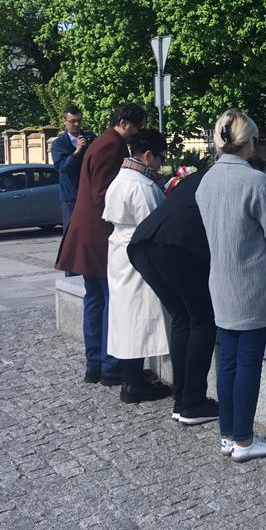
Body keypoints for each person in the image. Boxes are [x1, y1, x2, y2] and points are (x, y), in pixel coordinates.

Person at [196, 109, 266, 462]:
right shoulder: (255, 182)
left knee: (228, 361)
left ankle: (229, 435)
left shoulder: (206, 180)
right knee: (249, 362)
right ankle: (244, 440)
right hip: (252, 282)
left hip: (221, 280)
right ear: (249, 141)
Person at [56, 102, 146, 386]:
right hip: (97, 233)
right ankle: (110, 366)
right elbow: (104, 192)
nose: (139, 131)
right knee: (109, 299)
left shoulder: (102, 141)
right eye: (138, 125)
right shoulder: (110, 145)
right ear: (124, 122)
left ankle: (95, 364)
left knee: (95, 299)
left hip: (86, 232)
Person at [128, 164, 218, 424]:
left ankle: (181, 399)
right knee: (202, 319)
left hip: (143, 243)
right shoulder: (233, 179)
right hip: (175, 244)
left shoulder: (200, 177)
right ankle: (193, 403)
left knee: (182, 317)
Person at [102, 128, 172, 404]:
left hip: (121, 251)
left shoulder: (121, 177)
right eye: (160, 157)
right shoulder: (142, 186)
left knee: (127, 317)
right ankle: (132, 385)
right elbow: (155, 224)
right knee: (138, 319)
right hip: (138, 253)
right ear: (148, 155)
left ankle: (132, 375)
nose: (161, 163)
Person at [50, 106, 96, 246]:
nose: (76, 124)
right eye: (73, 121)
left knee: (91, 233)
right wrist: (77, 152)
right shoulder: (59, 144)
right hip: (71, 196)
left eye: (79, 121)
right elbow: (62, 168)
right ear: (64, 121)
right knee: (72, 235)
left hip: (90, 193)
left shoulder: (90, 137)